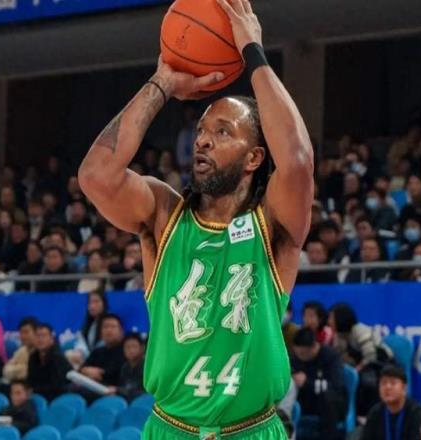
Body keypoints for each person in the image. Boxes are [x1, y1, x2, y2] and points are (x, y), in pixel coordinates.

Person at [78, 0, 314, 437]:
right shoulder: (163, 214)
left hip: (252, 429)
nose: (203, 141)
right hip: (171, 427)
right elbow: (96, 176)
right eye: (202, 131)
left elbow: (297, 161)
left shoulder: (274, 224)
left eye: (223, 132)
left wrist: (252, 52)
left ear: (254, 158)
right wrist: (163, 82)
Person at [291, 328, 347, 440]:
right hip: (306, 401)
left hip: (331, 404)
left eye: (303, 353)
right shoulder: (295, 358)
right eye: (297, 353)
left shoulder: (331, 357)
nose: (299, 357)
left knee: (328, 397)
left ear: (314, 347)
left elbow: (335, 386)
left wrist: (307, 383)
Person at [361, 365, 421, 440]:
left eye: (393, 383)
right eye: (383, 383)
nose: (388, 387)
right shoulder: (375, 413)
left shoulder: (416, 413)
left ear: (404, 388)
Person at [27, 323, 72, 401]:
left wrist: (34, 390)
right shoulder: (33, 357)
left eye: (43, 336)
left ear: (51, 339)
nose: (40, 339)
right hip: (40, 394)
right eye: (38, 336)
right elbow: (30, 380)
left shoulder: (57, 357)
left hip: (60, 396)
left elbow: (57, 385)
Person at [65, 289, 109, 369]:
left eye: (96, 302)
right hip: (88, 359)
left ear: (104, 304)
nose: (92, 306)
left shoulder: (109, 322)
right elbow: (82, 344)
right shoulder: (88, 325)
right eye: (90, 302)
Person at [108, 332, 146, 402]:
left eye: (134, 346)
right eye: (127, 347)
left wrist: (118, 390)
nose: (131, 350)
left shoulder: (147, 367)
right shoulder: (125, 367)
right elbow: (124, 387)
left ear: (142, 348)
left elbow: (144, 392)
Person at [3, 318, 38, 383]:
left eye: (26, 332)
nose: (23, 336)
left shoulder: (41, 351)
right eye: (21, 333)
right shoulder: (21, 350)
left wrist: (16, 369)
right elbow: (6, 371)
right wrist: (22, 368)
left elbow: (33, 372)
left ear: (36, 333)